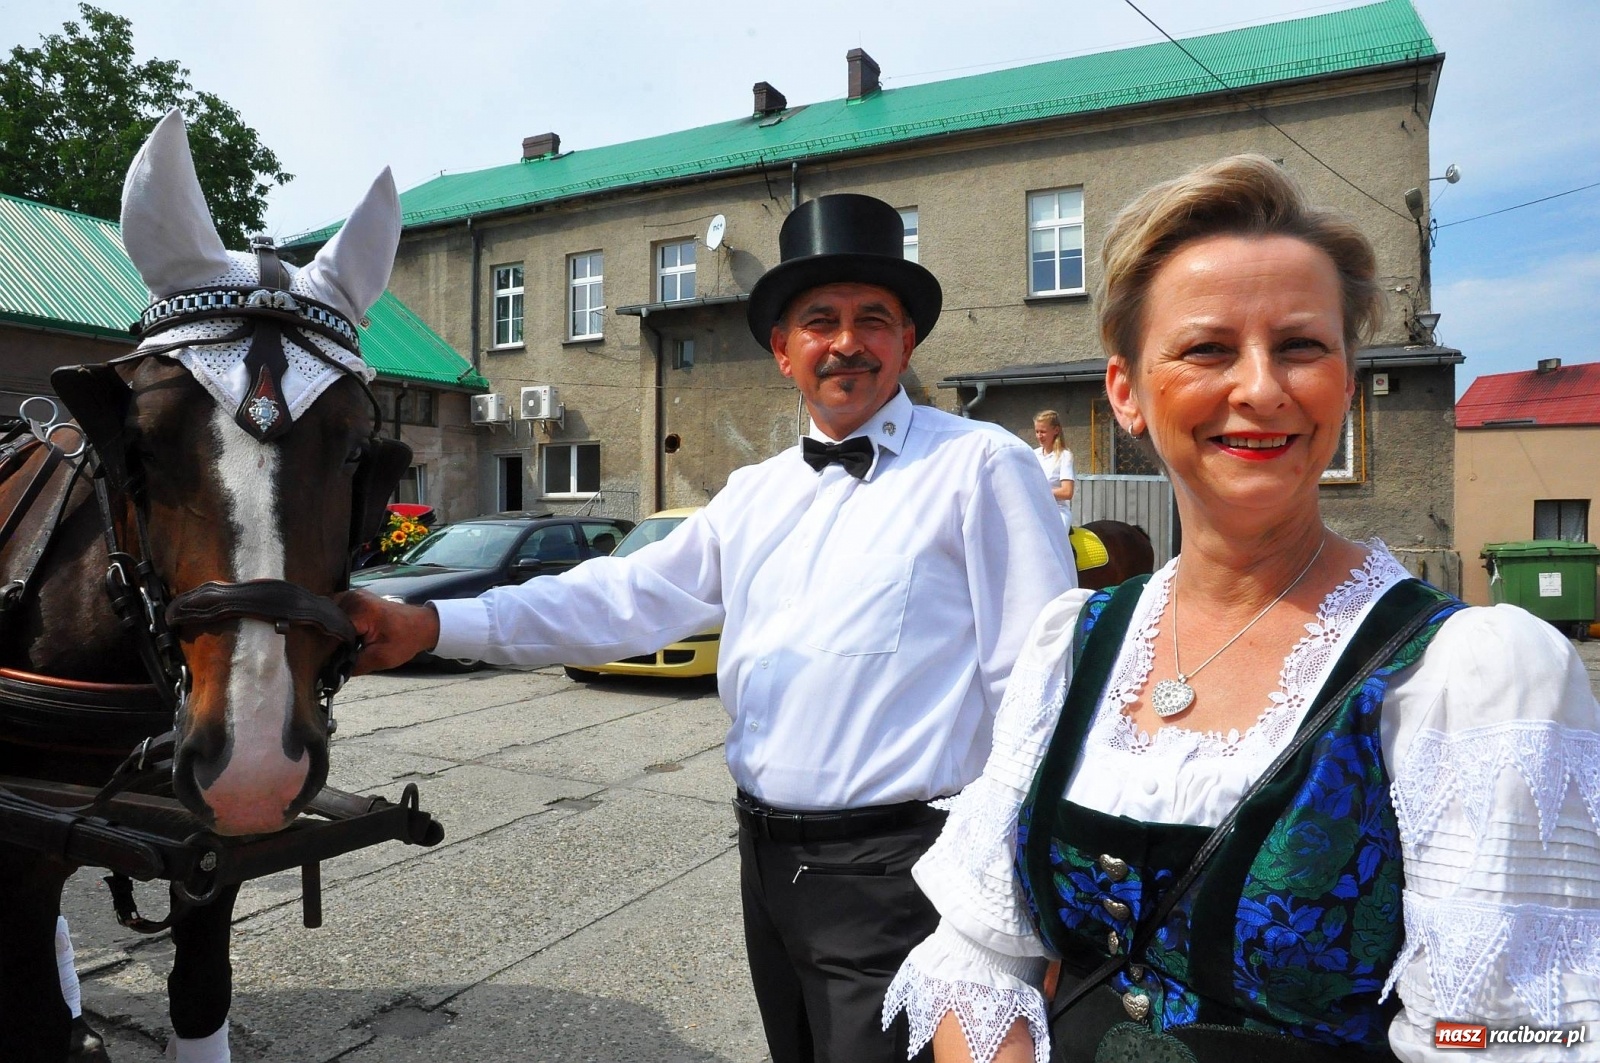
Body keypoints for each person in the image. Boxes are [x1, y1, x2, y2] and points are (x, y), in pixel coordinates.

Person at [883, 155, 1600, 1062]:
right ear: (1127, 392)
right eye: (1208, 348)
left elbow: (1514, 1038)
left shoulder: (1476, 677)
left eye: (1301, 345)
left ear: (1346, 380)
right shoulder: (1076, 642)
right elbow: (979, 954)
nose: (1261, 387)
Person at [340, 193, 1077, 1062]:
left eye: (874, 319)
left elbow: (1039, 689)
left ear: (907, 342)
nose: (848, 341)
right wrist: (427, 624)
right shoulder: (754, 493)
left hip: (905, 876)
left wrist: (1019, 917)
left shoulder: (982, 464)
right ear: (782, 351)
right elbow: (616, 600)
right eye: (820, 321)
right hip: (766, 867)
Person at [1032, 410, 1075, 532]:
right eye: (1037, 432)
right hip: (1035, 509)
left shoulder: (1065, 456)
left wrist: (1041, 491)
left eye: (1043, 432)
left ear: (1056, 430)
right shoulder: (1033, 454)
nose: (1039, 436)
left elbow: (1067, 492)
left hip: (1057, 510)